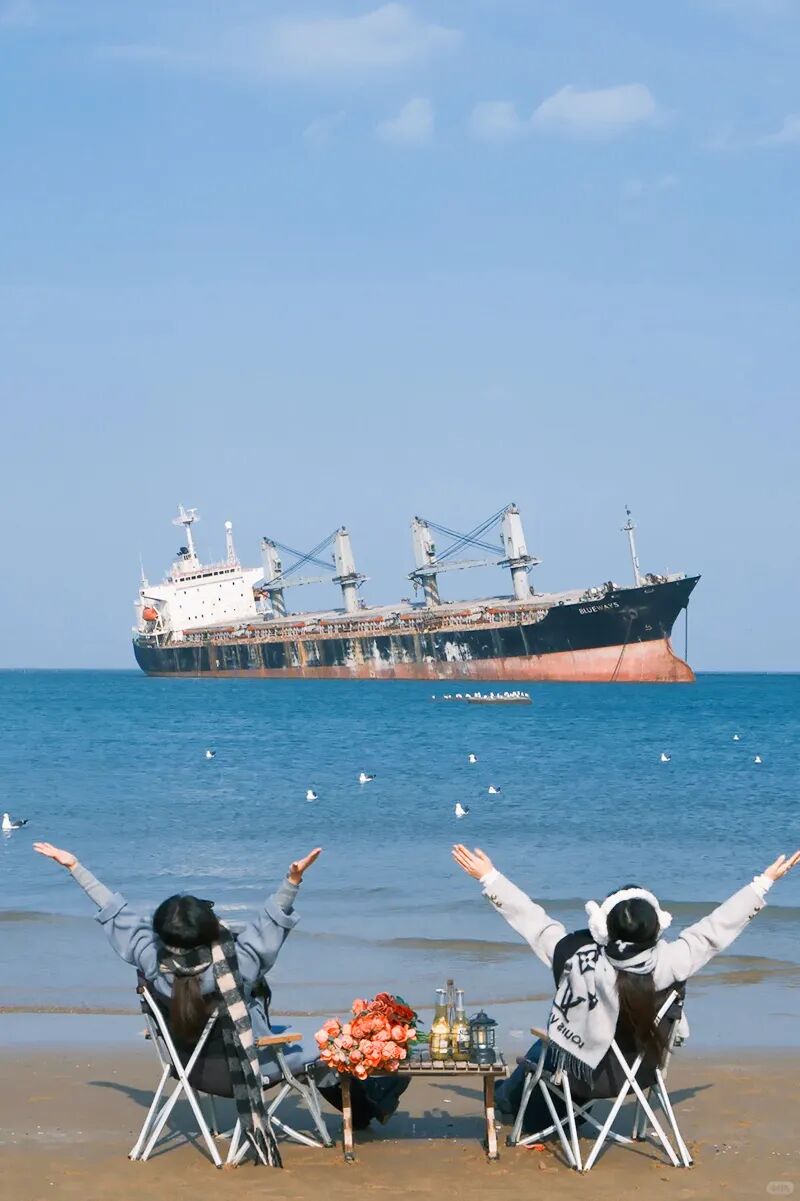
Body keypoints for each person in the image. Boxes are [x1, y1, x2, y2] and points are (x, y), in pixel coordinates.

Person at [452, 843, 800, 1132]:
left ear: (602, 928)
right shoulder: (673, 961)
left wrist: (489, 877)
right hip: (640, 1072)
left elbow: (534, 922)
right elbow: (715, 929)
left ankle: (506, 1098)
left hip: (580, 1076)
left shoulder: (577, 959)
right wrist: (763, 883)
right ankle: (517, 1098)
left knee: (546, 1042)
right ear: (657, 927)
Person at [34, 839, 323, 1165]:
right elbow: (269, 925)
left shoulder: (152, 963)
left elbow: (118, 914)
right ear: (211, 928)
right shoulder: (237, 965)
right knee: (329, 1041)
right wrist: (292, 880)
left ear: (161, 933)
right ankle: (359, 1115)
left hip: (188, 1067)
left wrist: (75, 867)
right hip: (246, 1070)